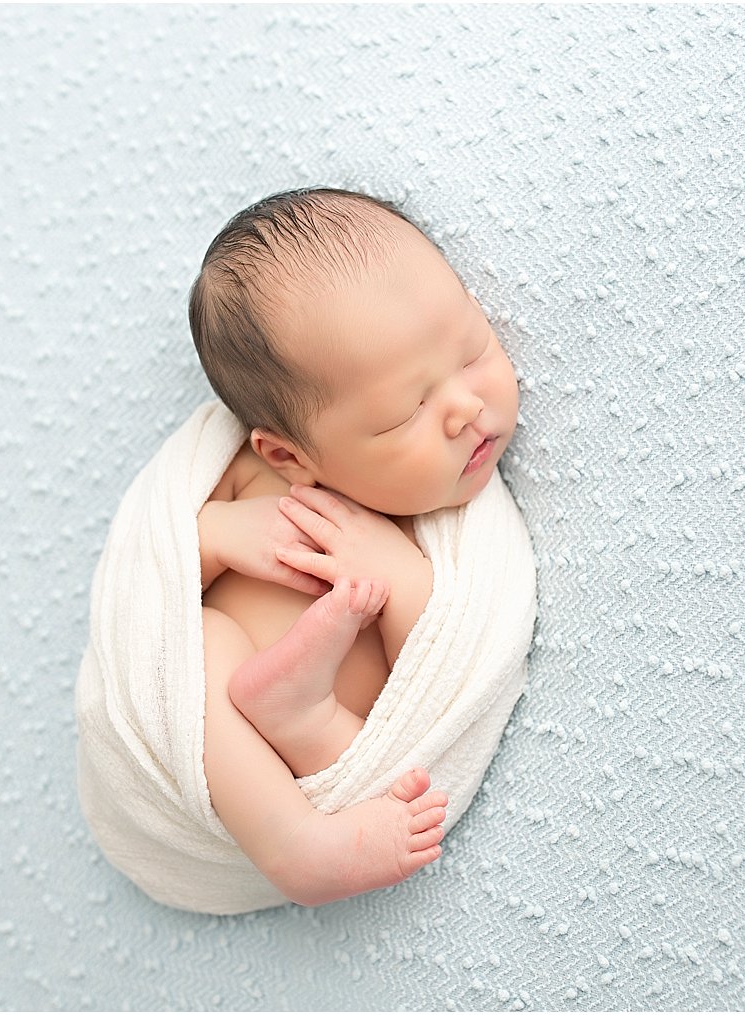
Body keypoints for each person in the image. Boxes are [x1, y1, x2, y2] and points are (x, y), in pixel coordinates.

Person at [186, 186, 521, 907]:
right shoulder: (244, 477)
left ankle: (303, 719)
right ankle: (295, 847)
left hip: (343, 746)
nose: (464, 409)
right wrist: (211, 537)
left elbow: (447, 659)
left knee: (370, 751)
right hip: (242, 762)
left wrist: (399, 580)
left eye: (472, 351)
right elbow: (147, 587)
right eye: (405, 412)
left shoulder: (437, 528)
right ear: (290, 456)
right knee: (197, 650)